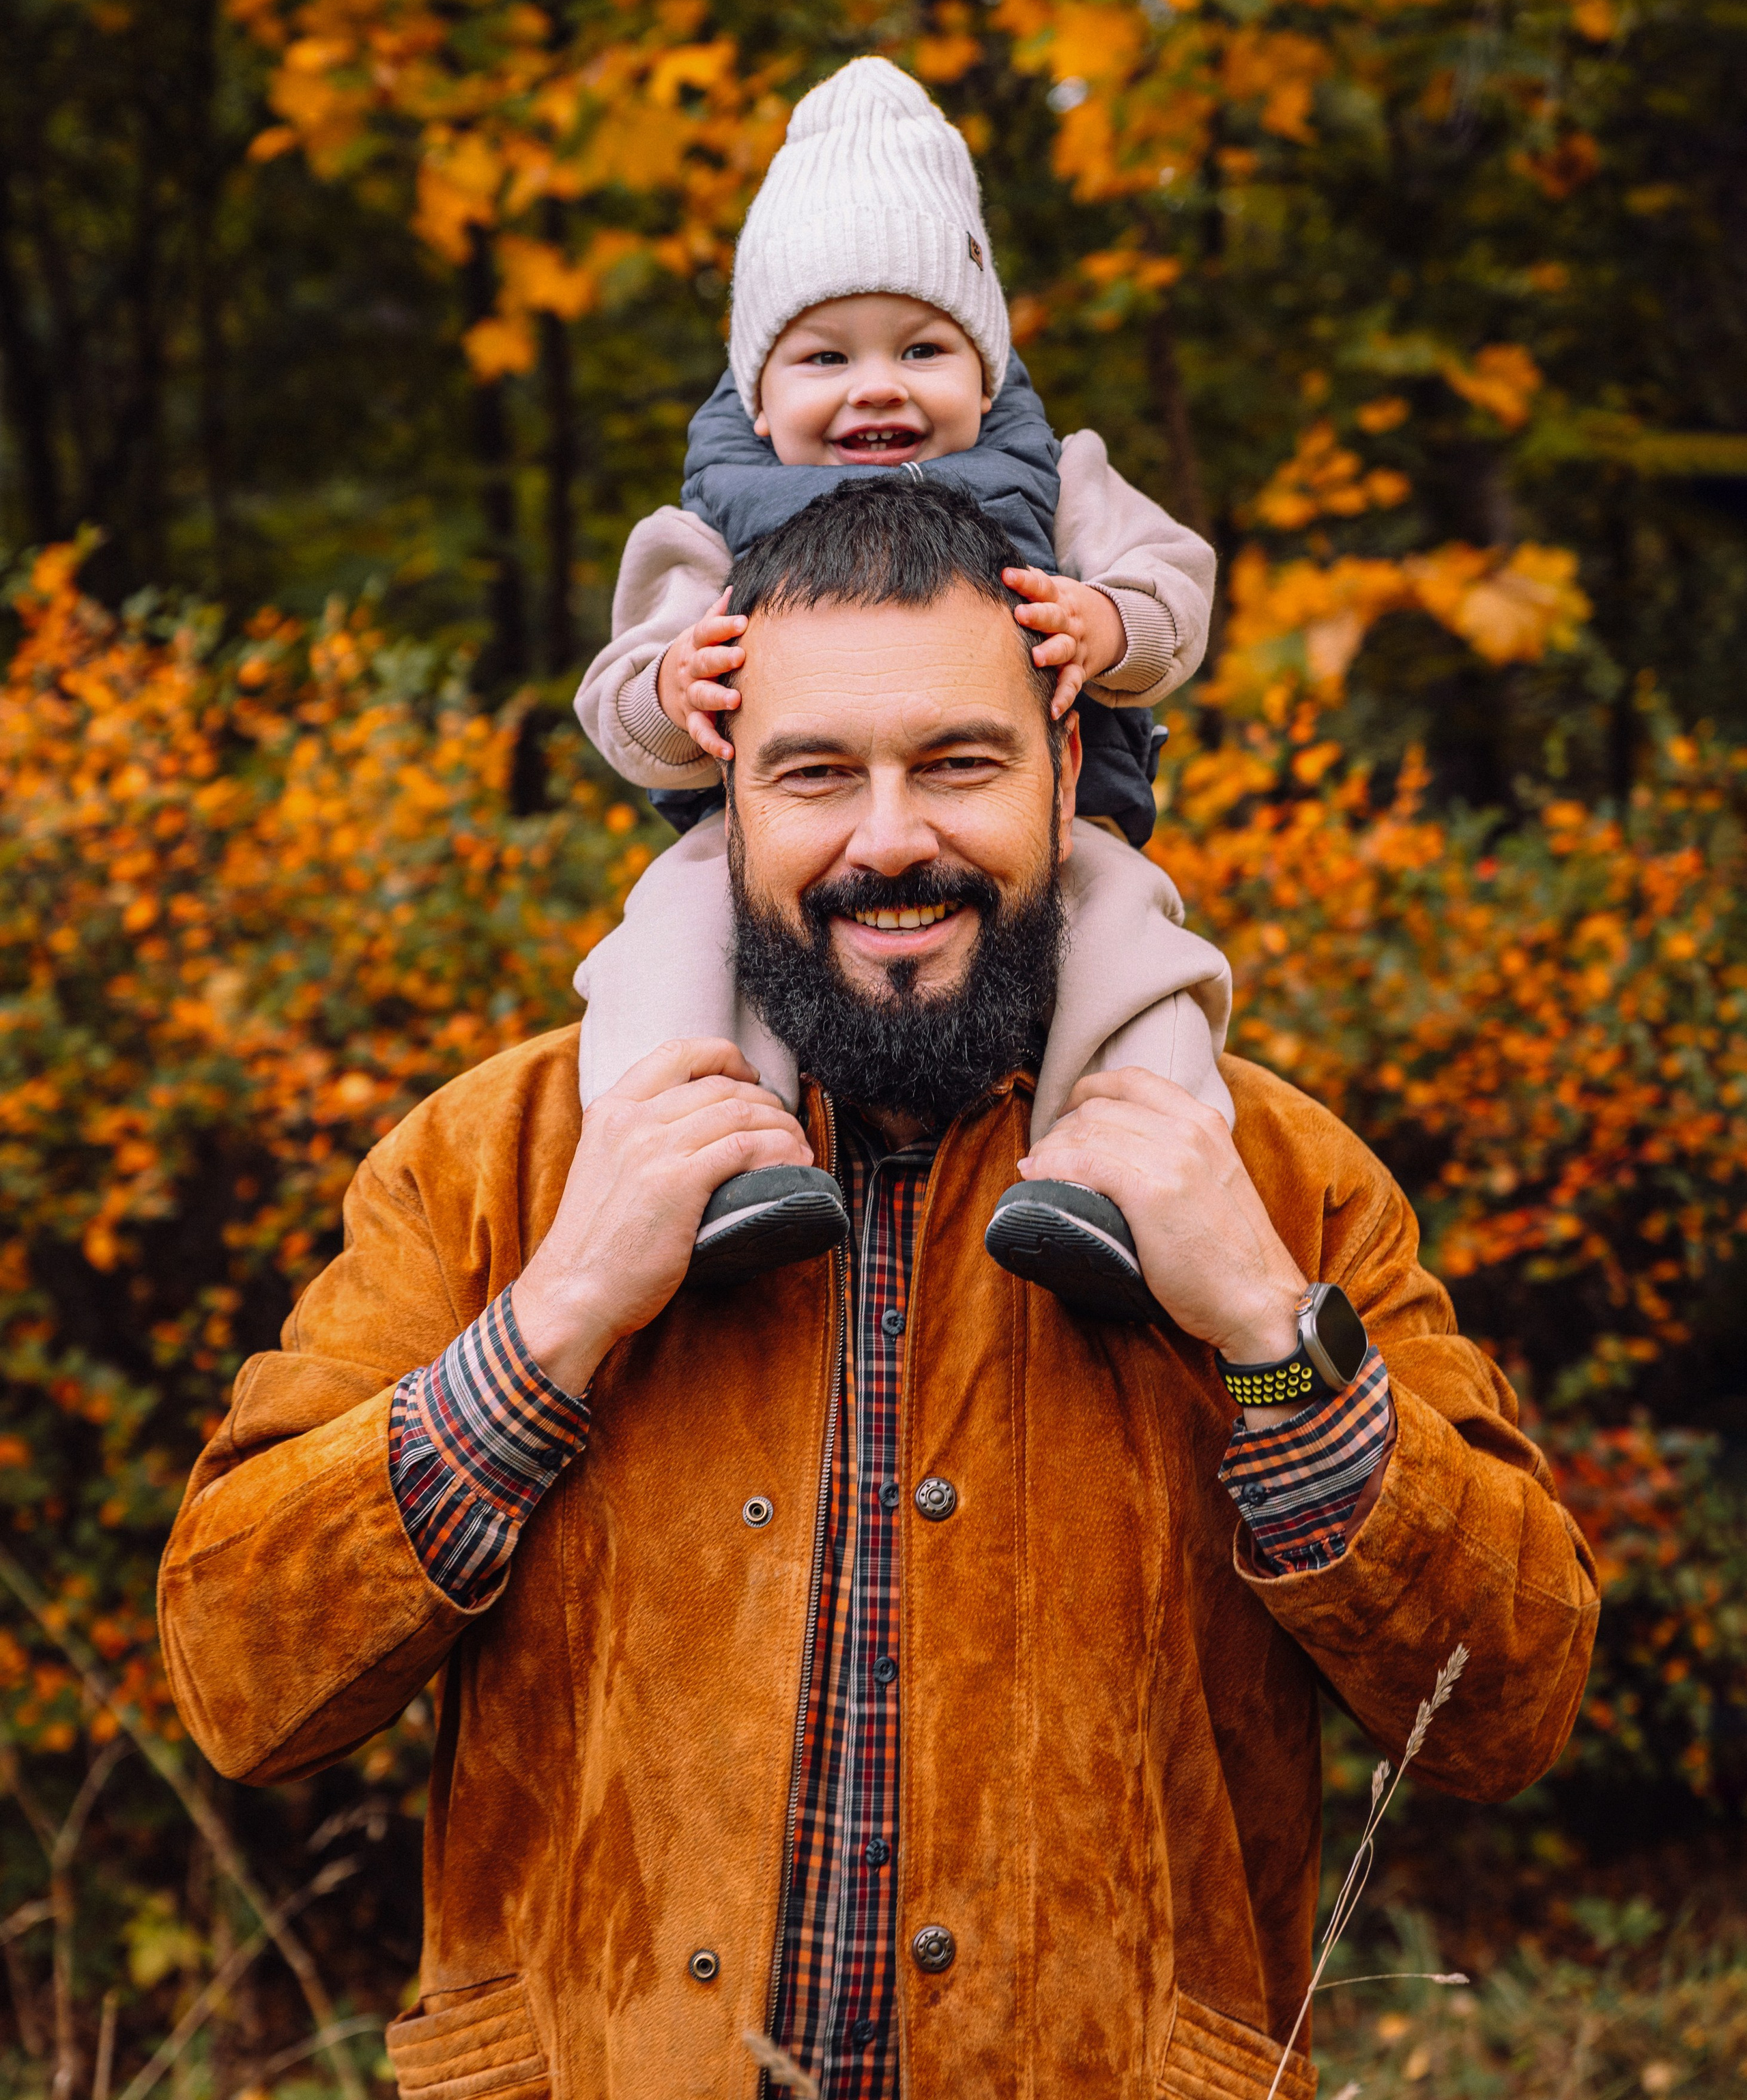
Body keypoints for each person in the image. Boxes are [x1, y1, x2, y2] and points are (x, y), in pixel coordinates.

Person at [160, 477, 1600, 2100]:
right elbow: (237, 1677)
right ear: (729, 797)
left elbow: (1509, 1712)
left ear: (1064, 769)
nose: (890, 835)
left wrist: (1271, 1338)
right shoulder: (503, 1157)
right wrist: (555, 1315)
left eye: (958, 762)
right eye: (816, 774)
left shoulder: (1266, 1175)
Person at [575, 55, 1228, 1301]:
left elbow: (1177, 593)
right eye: (825, 358)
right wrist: (673, 696)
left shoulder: (1061, 481)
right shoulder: (707, 527)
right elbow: (619, 696)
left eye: (922, 347)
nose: (878, 384)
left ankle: (1127, 1176)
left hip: (1058, 838)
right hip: (746, 848)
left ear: (985, 376)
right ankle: (694, 1169)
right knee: (665, 936)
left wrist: (1108, 623)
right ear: (757, 402)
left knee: (1140, 944)